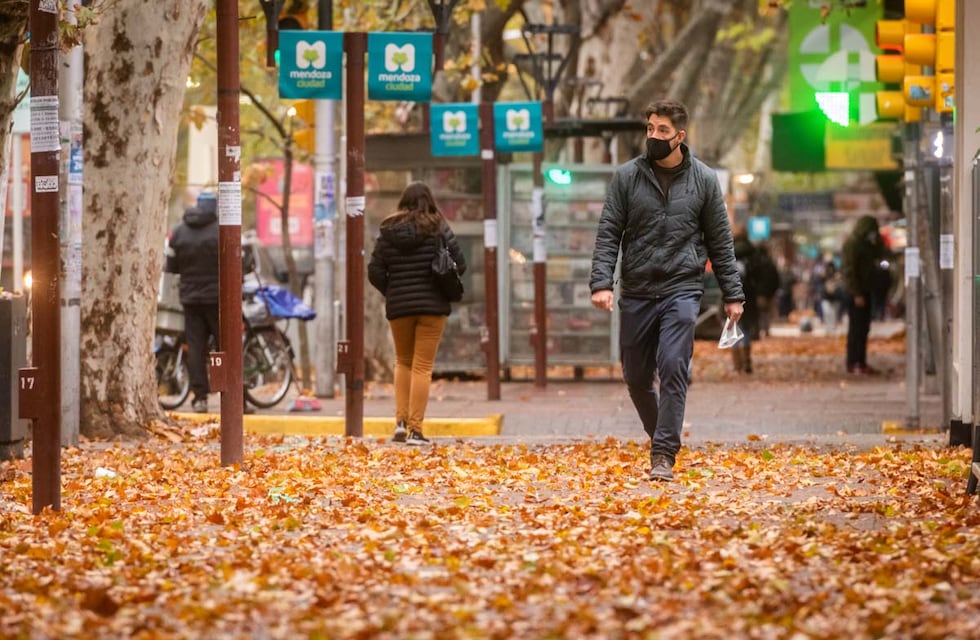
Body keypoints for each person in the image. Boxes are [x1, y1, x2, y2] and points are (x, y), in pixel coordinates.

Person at [590, 99, 744, 482]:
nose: (653, 136)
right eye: (650, 129)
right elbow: (609, 231)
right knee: (636, 377)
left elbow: (720, 241)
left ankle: (663, 454)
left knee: (674, 366)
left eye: (662, 131)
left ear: (679, 136)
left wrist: (733, 294)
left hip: (682, 288)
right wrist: (601, 283)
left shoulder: (704, 180)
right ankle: (662, 435)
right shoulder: (627, 177)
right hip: (638, 290)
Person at [368, 182, 466, 445]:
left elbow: (375, 271)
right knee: (422, 366)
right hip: (433, 307)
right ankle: (416, 430)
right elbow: (461, 263)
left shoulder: (388, 230)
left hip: (400, 307)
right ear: (429, 201)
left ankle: (400, 422)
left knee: (403, 362)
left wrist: (394, 290)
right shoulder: (439, 227)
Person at [164, 192, 220, 413]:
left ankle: (200, 397)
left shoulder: (178, 232)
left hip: (190, 299)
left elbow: (171, 267)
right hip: (217, 299)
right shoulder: (220, 231)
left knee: (196, 348)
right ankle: (234, 394)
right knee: (226, 346)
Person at [841, 214, 886, 374]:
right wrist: (857, 293)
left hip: (865, 290)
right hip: (856, 293)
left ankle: (860, 361)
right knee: (856, 329)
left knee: (863, 328)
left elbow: (881, 254)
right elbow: (849, 271)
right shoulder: (852, 245)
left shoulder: (867, 245)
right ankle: (854, 362)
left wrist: (877, 240)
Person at [731, 229, 760, 374]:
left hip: (732, 295)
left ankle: (737, 364)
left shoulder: (730, 251)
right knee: (746, 328)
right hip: (749, 296)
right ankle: (747, 360)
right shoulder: (753, 254)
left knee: (734, 327)